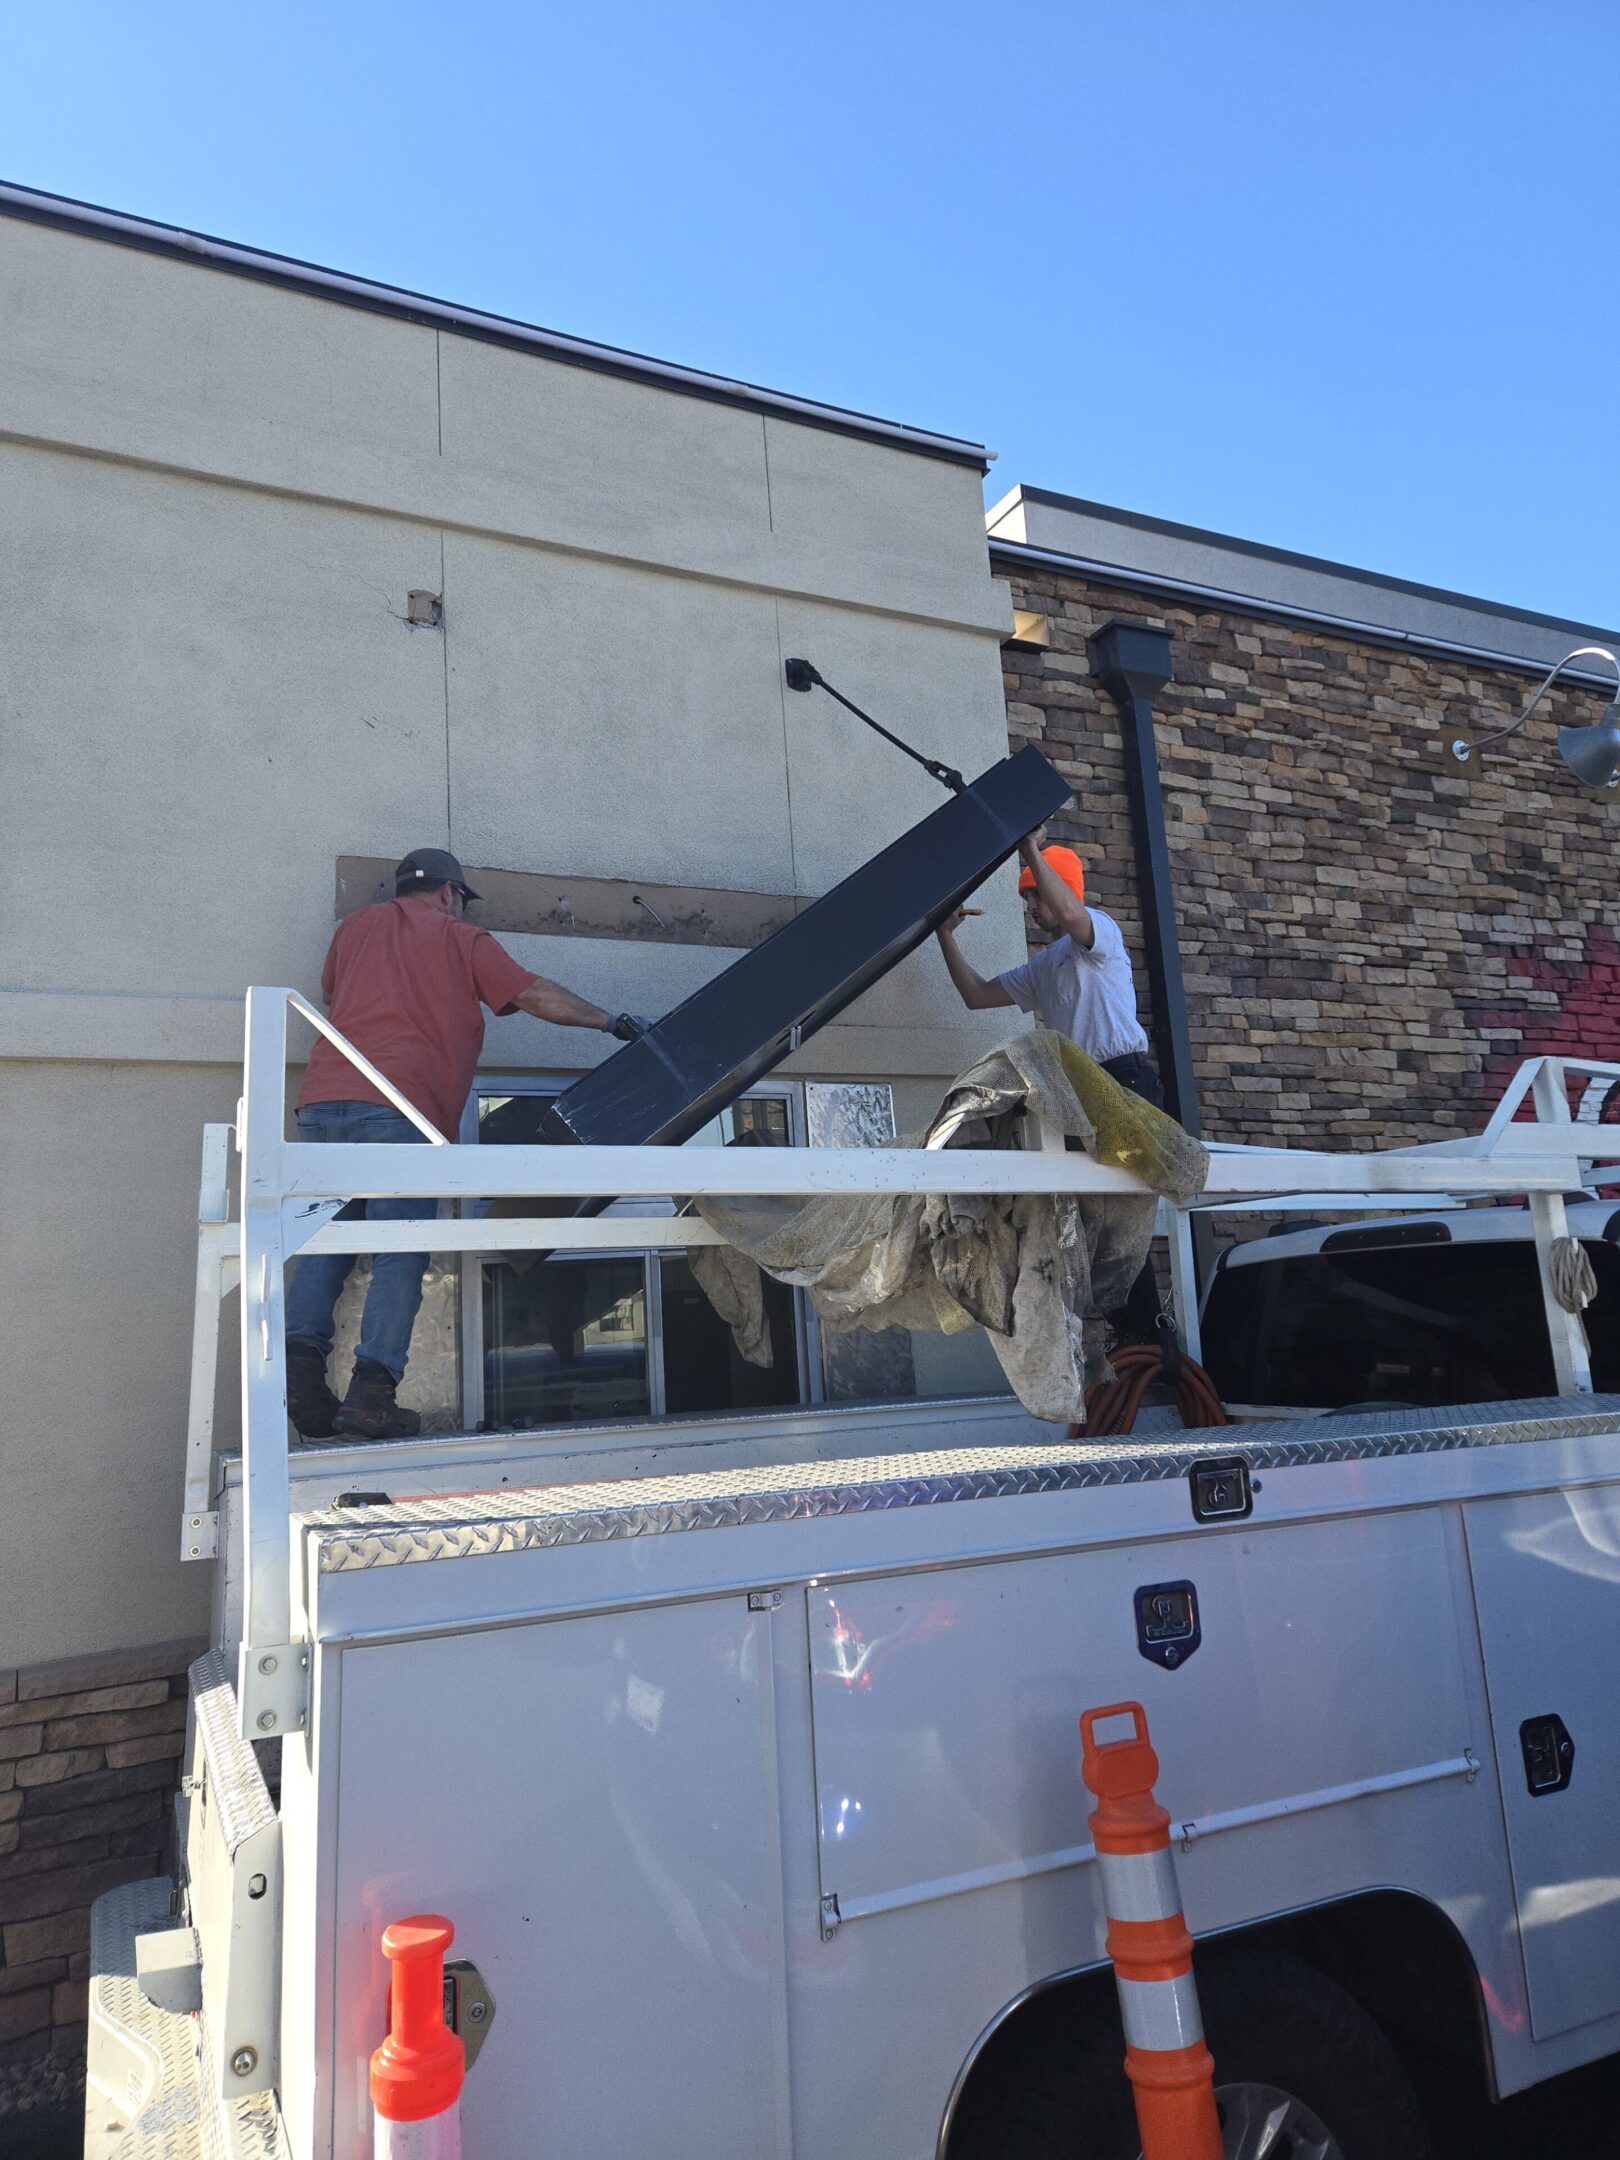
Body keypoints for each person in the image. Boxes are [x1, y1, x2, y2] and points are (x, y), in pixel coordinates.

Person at [285, 847, 649, 1442]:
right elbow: (533, 995)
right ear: (453, 894)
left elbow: (334, 997)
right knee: (400, 1251)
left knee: (326, 1241)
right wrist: (611, 1022)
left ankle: (299, 1372)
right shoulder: (462, 938)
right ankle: (371, 1393)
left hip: (324, 1104)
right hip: (400, 1109)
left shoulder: (353, 930)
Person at [936, 832, 1165, 1338]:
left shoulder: (1097, 935)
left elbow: (1068, 914)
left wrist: (1027, 849)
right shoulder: (1044, 967)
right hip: (1081, 1095)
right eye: (1025, 898)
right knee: (1096, 1222)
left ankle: (1146, 1338)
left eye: (1035, 893)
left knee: (1122, 1215)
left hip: (1124, 1083)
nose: (1030, 906)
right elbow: (976, 996)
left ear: (1060, 887)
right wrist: (945, 936)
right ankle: (1130, 1336)